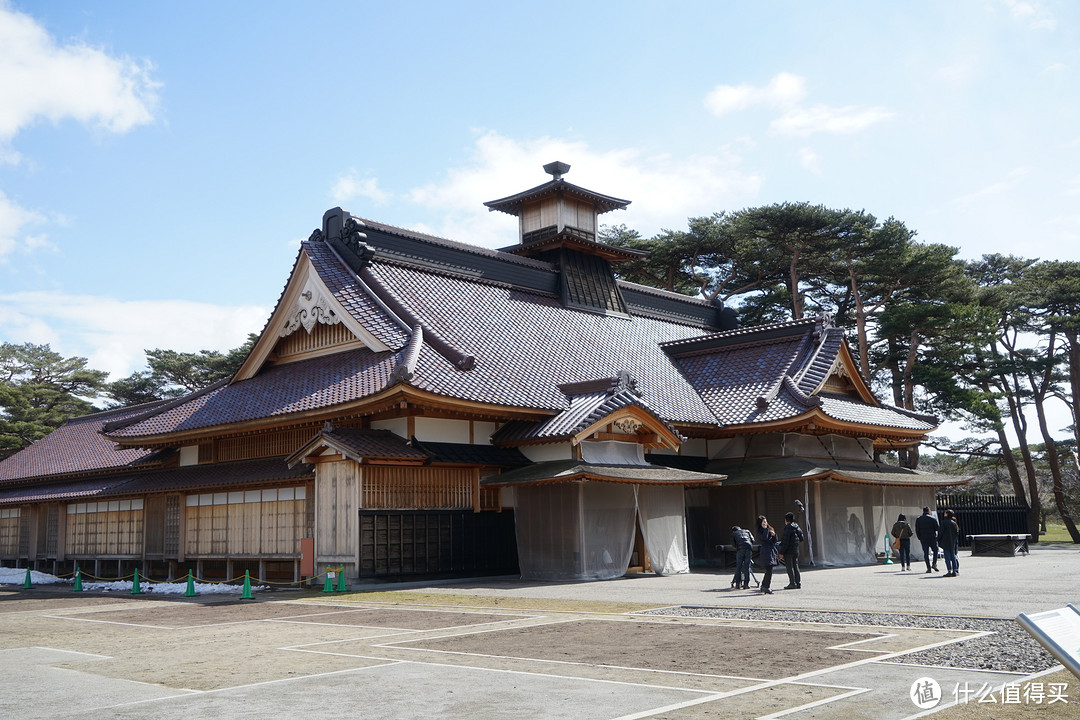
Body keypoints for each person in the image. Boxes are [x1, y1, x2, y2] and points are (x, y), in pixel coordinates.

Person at [778, 511, 803, 589]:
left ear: (786, 520)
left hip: (788, 551)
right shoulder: (797, 528)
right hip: (796, 550)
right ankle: (798, 583)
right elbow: (801, 538)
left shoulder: (788, 528)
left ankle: (792, 583)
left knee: (789, 567)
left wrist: (781, 552)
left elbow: (785, 542)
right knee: (795, 566)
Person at [756, 515, 779, 595]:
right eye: (763, 522)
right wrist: (766, 529)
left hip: (771, 550)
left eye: (765, 522)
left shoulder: (770, 529)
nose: (765, 523)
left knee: (769, 570)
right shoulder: (759, 531)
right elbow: (764, 538)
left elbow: (775, 541)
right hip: (765, 551)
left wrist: (774, 535)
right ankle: (766, 587)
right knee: (769, 570)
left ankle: (764, 586)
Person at [914, 506, 940, 573]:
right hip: (932, 537)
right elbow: (937, 528)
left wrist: (919, 537)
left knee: (925, 553)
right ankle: (934, 563)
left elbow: (917, 529)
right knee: (935, 550)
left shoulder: (919, 519)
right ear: (929, 511)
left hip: (923, 538)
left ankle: (928, 568)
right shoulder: (933, 518)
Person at [730, 525, 754, 590]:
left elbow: (733, 544)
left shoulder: (734, 533)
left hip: (740, 550)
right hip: (749, 548)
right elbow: (752, 540)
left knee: (739, 567)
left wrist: (737, 547)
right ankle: (746, 584)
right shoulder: (747, 531)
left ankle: (738, 584)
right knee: (747, 567)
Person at [939, 508, 960, 577]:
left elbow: (941, 532)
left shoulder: (944, 522)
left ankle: (949, 570)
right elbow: (956, 532)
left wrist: (938, 539)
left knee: (947, 557)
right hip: (952, 542)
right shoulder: (953, 523)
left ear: (947, 514)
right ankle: (955, 570)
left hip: (945, 542)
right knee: (953, 556)